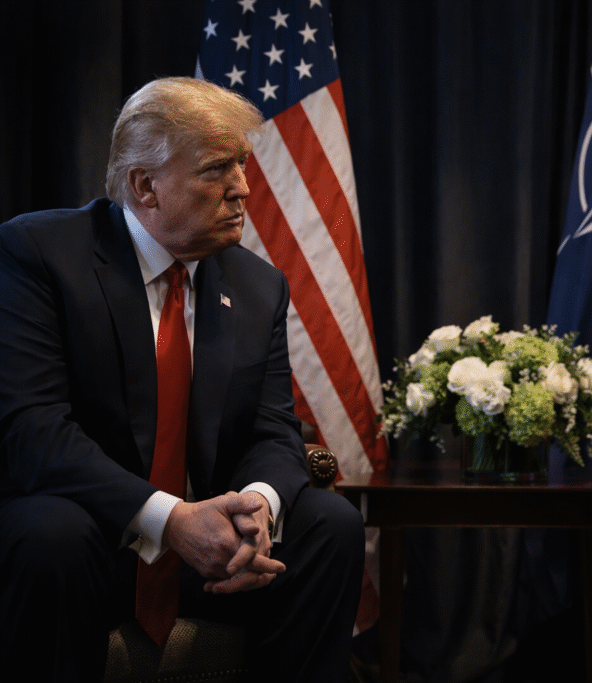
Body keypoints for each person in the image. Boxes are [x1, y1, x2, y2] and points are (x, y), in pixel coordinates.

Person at [0, 77, 365, 682]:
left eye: (242, 165)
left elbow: (275, 428)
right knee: (48, 535)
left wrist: (258, 510)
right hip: (97, 539)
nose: (243, 188)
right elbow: (32, 431)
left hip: (212, 556)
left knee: (332, 526)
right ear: (145, 185)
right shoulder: (41, 253)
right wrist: (169, 520)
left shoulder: (256, 285)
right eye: (217, 169)